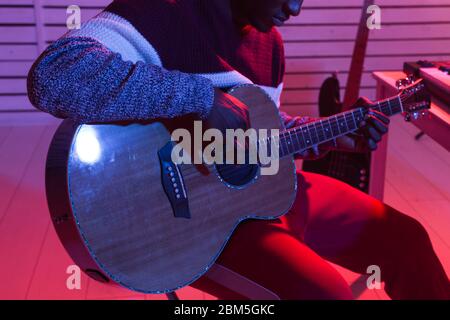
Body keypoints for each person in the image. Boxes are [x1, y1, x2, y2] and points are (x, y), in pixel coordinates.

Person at [27, 0, 449, 299]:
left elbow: (260, 134)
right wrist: (201, 99)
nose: (297, 8)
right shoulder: (161, 13)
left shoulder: (271, 44)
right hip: (191, 226)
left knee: (406, 241)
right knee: (324, 294)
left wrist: (330, 136)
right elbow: (55, 76)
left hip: (263, 196)